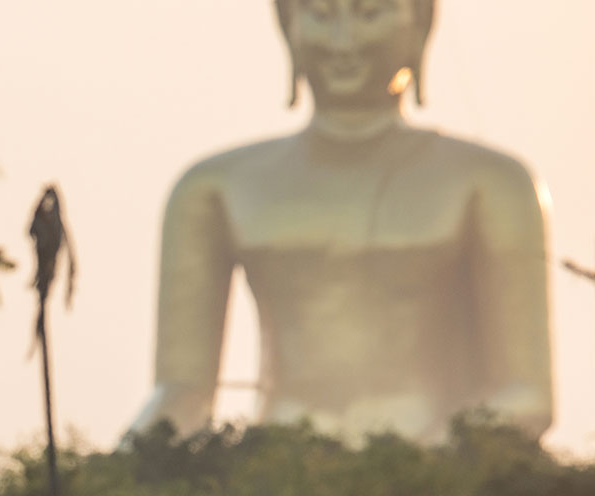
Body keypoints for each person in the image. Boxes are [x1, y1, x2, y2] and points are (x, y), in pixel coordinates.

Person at [129, 0, 552, 444]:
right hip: (276, 472)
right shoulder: (216, 189)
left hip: (435, 481)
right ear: (286, 22)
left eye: (370, 14)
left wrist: (413, 470)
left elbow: (525, 397)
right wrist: (111, 481)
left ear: (421, 22)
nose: (342, 41)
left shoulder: (491, 184)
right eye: (320, 14)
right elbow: (181, 397)